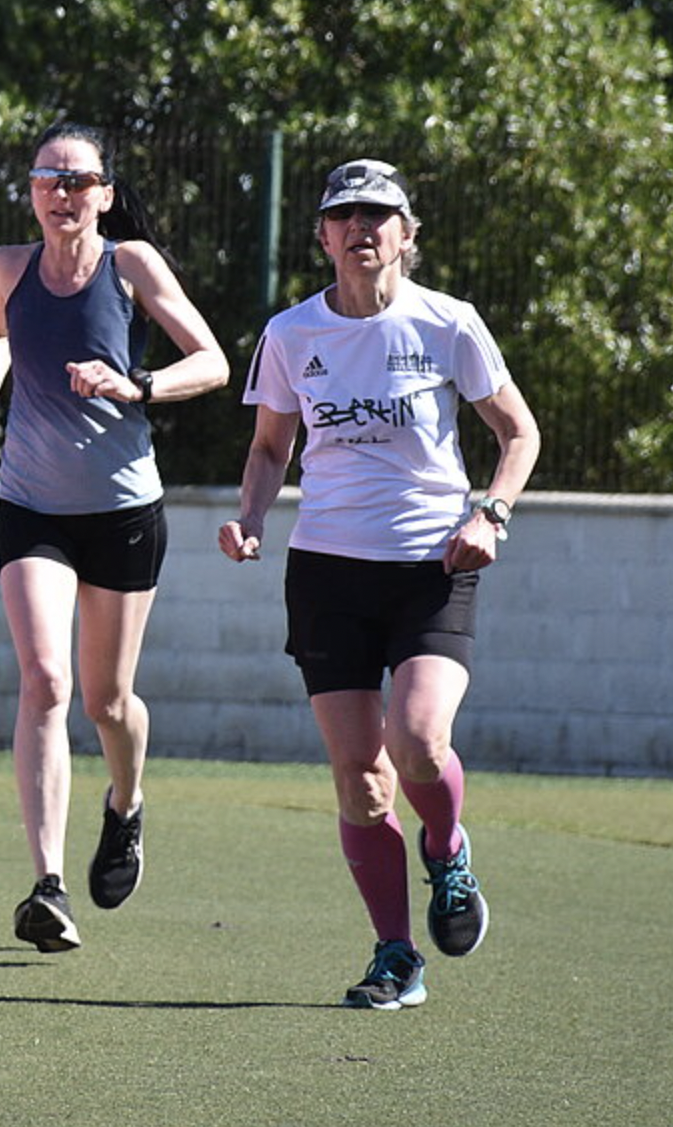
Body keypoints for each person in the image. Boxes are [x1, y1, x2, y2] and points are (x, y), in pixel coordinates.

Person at [216, 158, 541, 1010]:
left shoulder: (448, 323)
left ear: (407, 235)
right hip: (327, 572)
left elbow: (519, 433)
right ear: (323, 236)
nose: (360, 228)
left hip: (434, 567)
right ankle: (397, 954)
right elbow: (269, 446)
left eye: (377, 215)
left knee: (420, 741)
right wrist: (251, 517)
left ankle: (447, 847)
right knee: (361, 778)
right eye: (344, 216)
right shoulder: (292, 333)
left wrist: (491, 514)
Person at [0, 121, 229, 952]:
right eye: (48, 179)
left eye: (78, 181)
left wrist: (135, 384)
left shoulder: (130, 266)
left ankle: (126, 803)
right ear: (31, 191)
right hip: (31, 506)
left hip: (122, 510)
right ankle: (48, 885)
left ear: (105, 194)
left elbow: (212, 361)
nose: (62, 193)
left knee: (108, 701)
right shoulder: (9, 267)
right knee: (45, 679)